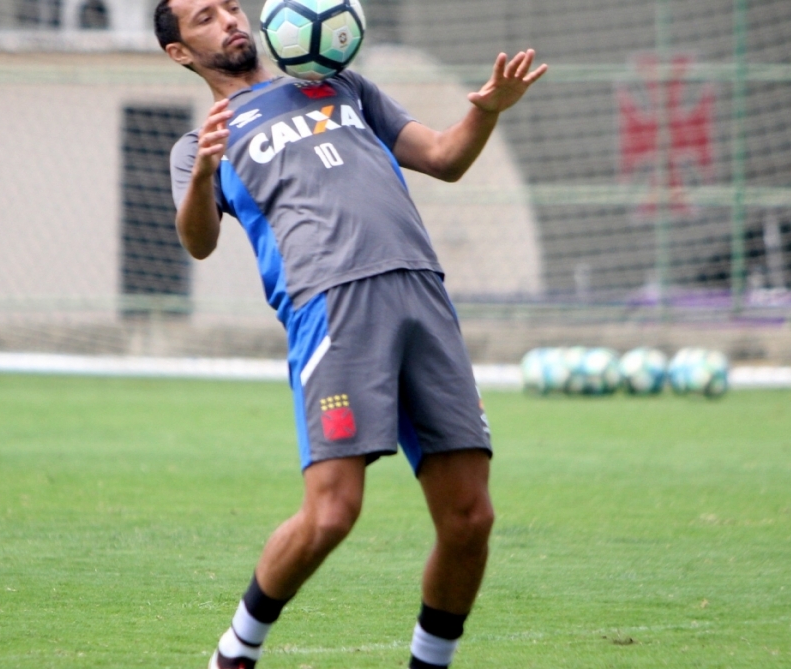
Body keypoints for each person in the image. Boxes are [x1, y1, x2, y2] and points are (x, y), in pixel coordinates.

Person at [155, 1, 546, 667]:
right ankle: (235, 650)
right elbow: (197, 242)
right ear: (180, 53)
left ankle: (430, 662)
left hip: (422, 290)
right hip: (331, 304)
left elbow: (446, 158)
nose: (228, 20)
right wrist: (200, 176)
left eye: (230, 6)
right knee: (333, 513)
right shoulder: (200, 144)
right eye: (204, 18)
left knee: (469, 518)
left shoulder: (340, 85)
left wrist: (486, 109)